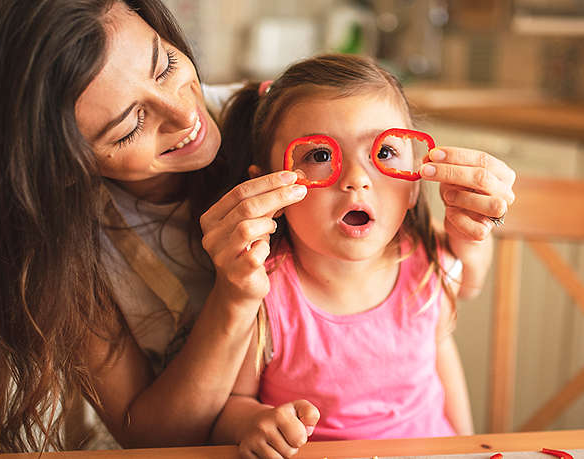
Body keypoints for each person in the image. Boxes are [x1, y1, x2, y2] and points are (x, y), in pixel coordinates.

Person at [0, 0, 514, 453]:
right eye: (128, 127)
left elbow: (445, 298)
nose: (186, 115)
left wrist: (475, 224)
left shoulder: (274, 119)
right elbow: (149, 437)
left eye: (167, 63)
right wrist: (234, 299)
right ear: (60, 169)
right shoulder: (65, 256)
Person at [209, 54, 515, 459]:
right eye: (319, 156)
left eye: (384, 153)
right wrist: (251, 422)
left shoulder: (425, 261)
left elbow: (472, 280)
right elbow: (230, 405)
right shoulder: (263, 290)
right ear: (268, 190)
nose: (356, 179)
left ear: (413, 186)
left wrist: (473, 231)